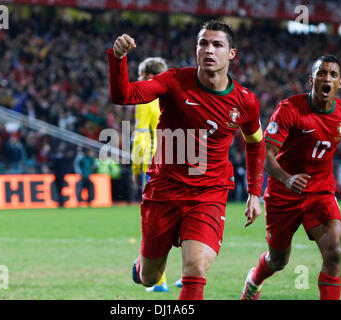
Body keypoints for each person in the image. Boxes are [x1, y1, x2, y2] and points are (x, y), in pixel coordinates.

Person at [108, 20, 265, 300]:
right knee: (150, 277)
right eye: (203, 43)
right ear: (196, 49)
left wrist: (255, 192)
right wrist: (118, 60)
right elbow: (124, 95)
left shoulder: (245, 102)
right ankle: (142, 265)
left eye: (217, 44)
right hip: (164, 190)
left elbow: (255, 143)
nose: (209, 49)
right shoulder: (174, 80)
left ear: (232, 53)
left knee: (195, 266)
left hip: (209, 193)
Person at [240, 55, 341, 300]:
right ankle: (254, 279)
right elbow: (265, 153)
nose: (327, 78)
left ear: (340, 83)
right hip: (283, 193)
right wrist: (287, 178)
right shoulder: (289, 109)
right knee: (278, 260)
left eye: (333, 74)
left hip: (320, 191)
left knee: (334, 252)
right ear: (311, 79)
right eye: (322, 73)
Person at [131, 56, 173, 292]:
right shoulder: (173, 96)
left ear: (148, 77)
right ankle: (189, 274)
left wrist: (137, 167)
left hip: (153, 165)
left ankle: (159, 280)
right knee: (181, 218)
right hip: (178, 162)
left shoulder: (145, 99)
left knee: (154, 224)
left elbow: (140, 135)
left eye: (140, 75)